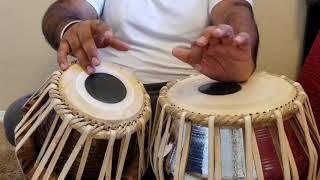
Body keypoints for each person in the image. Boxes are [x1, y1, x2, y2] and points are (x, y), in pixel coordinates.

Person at [3, 0, 259, 178]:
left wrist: (236, 42)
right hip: (114, 98)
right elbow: (65, 10)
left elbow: (234, 11)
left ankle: (134, 161)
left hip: (184, 99)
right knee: (20, 115)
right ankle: (158, 162)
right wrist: (71, 28)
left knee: (247, 142)